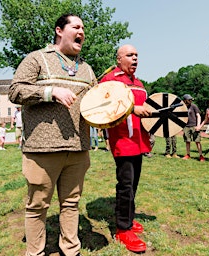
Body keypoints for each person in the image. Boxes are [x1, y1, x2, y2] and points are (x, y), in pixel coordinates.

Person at [8, 14, 96, 256]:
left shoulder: (87, 69)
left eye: (83, 28)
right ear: (59, 30)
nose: (82, 32)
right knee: (37, 206)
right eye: (76, 27)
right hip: (42, 150)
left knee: (71, 204)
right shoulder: (37, 58)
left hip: (78, 148)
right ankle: (35, 252)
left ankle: (71, 249)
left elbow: (96, 104)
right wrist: (50, 91)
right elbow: (15, 91)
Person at [100, 44, 151, 253]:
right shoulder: (110, 79)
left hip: (139, 140)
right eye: (130, 55)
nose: (135, 58)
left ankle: (128, 218)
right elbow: (104, 105)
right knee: (126, 185)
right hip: (122, 140)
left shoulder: (138, 82)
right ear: (119, 59)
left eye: (137, 55)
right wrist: (133, 108)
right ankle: (122, 229)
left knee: (133, 183)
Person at [182, 94, 204, 161]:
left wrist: (198, 126)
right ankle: (188, 154)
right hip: (186, 126)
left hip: (194, 126)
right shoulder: (182, 107)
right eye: (189, 99)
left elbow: (198, 116)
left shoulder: (194, 106)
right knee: (187, 141)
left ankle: (201, 155)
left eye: (191, 99)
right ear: (185, 100)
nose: (190, 100)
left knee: (197, 141)